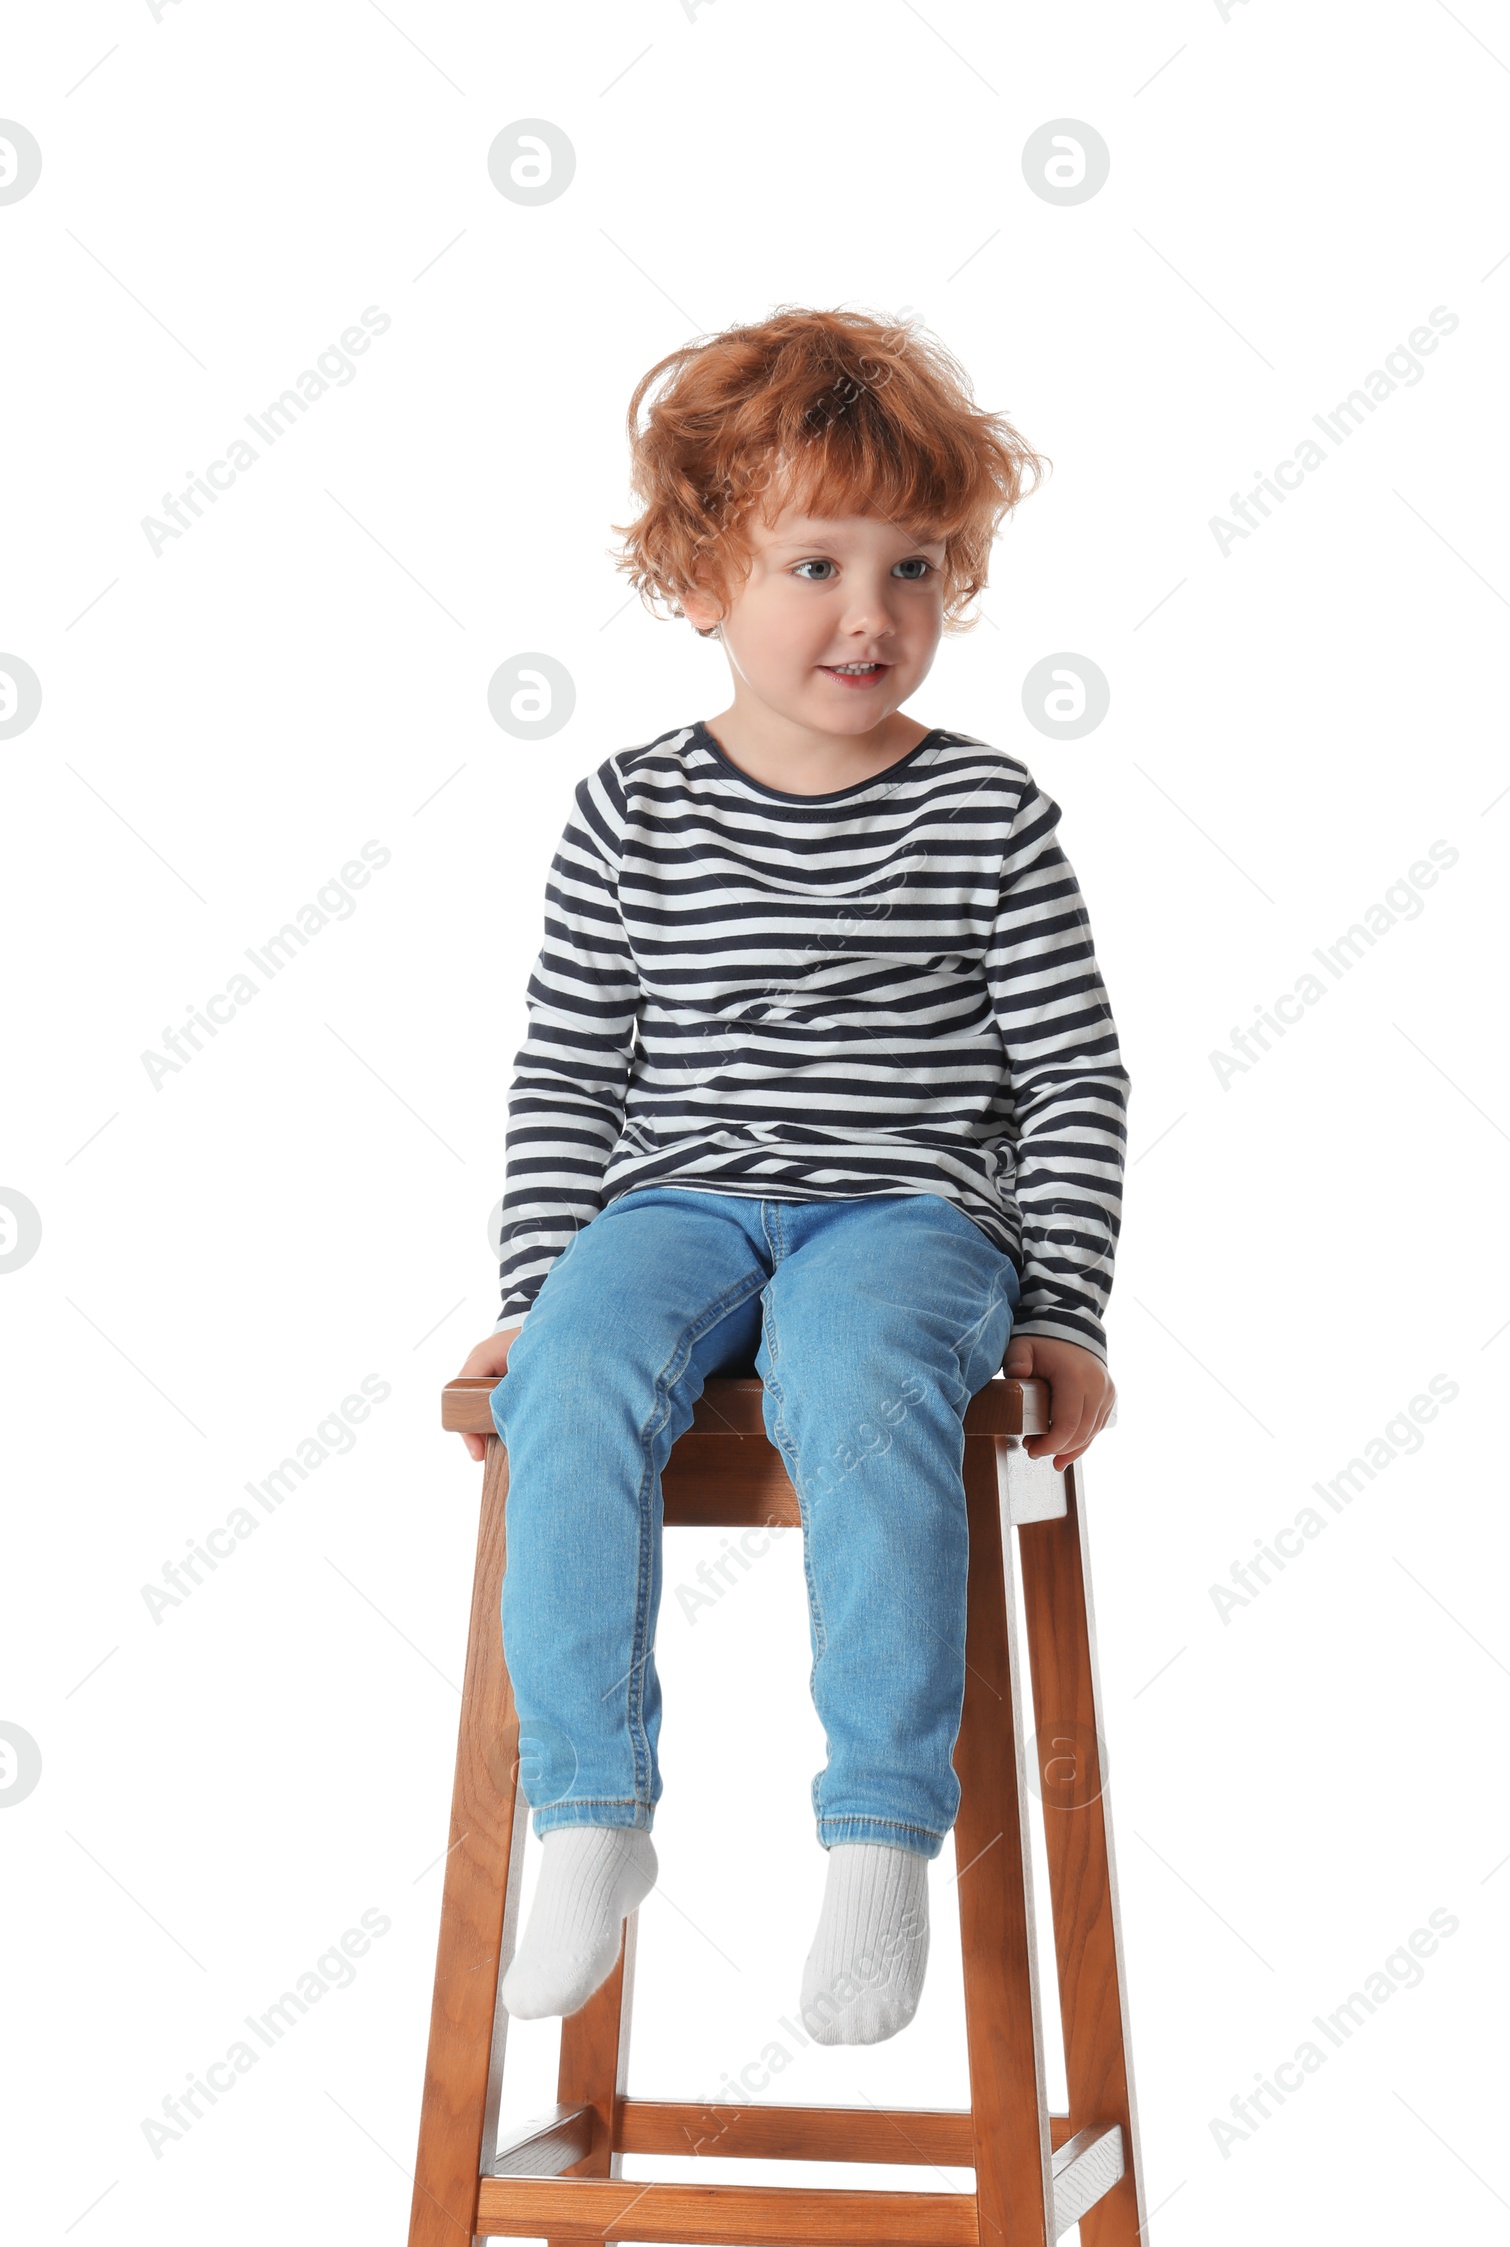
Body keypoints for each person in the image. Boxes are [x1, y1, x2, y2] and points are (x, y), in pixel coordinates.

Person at [452, 305, 1129, 2045]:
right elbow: (570, 1068)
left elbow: (1069, 1074)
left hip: (902, 1214)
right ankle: (593, 1811)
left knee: (858, 1368)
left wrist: (1061, 1310)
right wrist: (534, 1302)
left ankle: (880, 1835)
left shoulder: (988, 818)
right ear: (697, 582)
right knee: (582, 1371)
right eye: (813, 563)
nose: (868, 614)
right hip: (676, 1204)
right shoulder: (629, 814)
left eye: (913, 568)